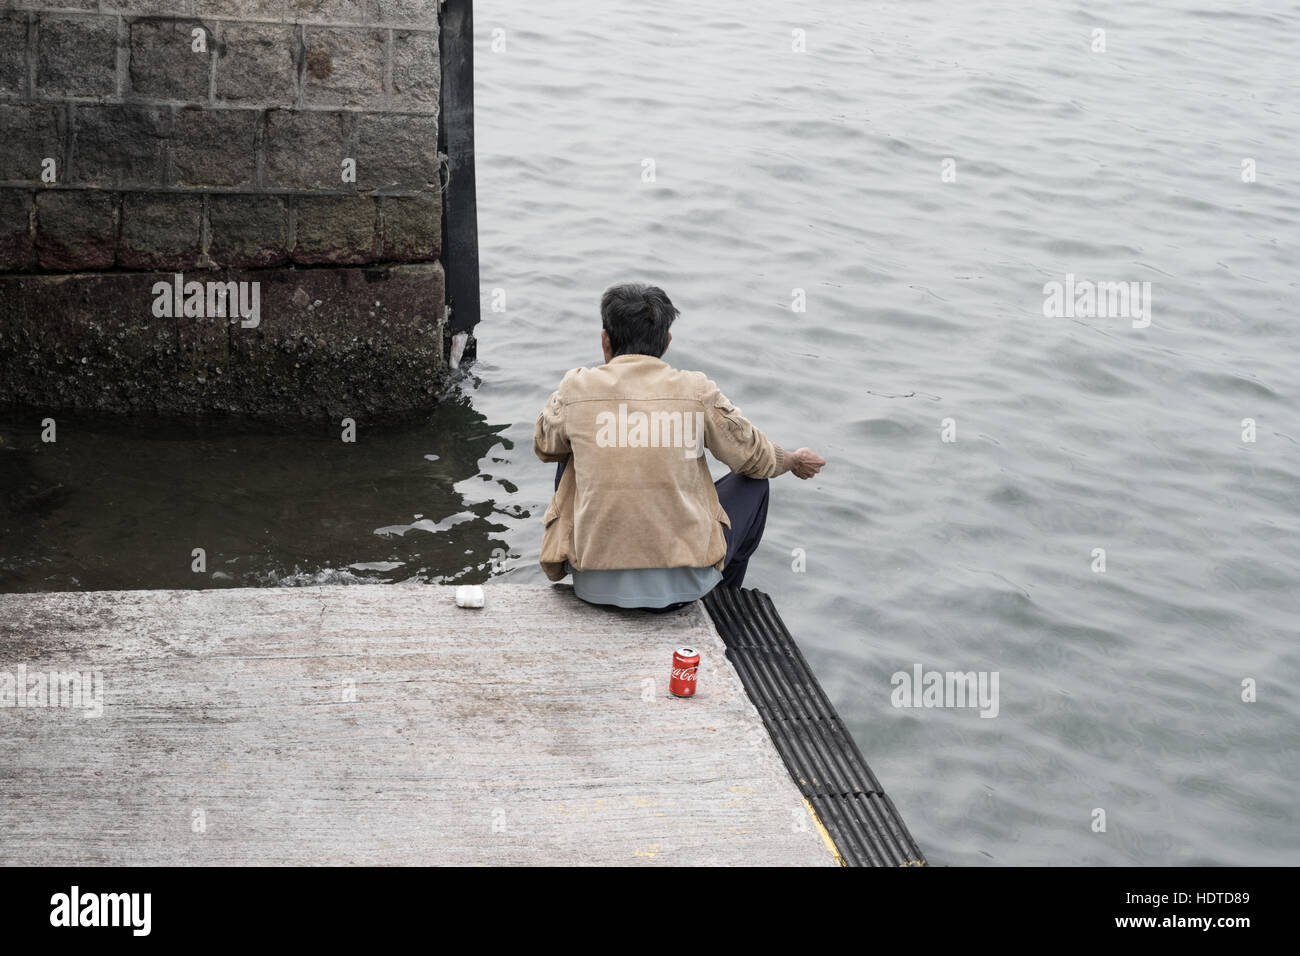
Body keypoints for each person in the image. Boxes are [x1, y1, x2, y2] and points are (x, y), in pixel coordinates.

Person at [533, 283, 826, 610]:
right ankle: (718, 601)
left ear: (605, 339)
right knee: (755, 483)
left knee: (568, 448)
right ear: (667, 342)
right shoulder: (696, 390)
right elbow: (755, 458)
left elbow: (545, 445)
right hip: (682, 593)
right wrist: (793, 460)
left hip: (592, 586)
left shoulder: (576, 386)